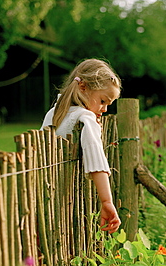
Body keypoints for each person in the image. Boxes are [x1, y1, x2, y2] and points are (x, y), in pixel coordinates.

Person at [40, 58, 121, 234]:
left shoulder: (53, 113)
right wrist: (106, 201)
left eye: (108, 104)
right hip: (67, 201)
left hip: (42, 193)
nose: (105, 109)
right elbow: (96, 156)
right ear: (83, 88)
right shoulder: (86, 118)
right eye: (102, 101)